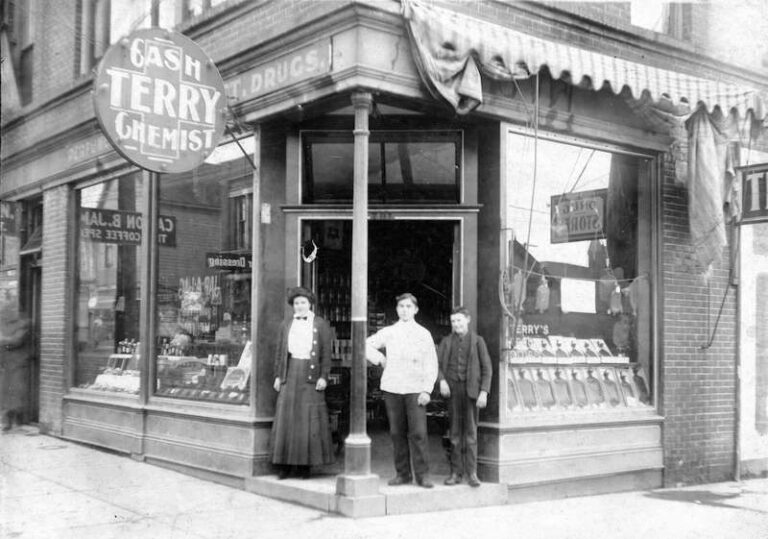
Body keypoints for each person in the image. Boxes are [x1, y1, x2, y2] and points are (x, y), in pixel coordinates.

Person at [366, 293, 438, 488]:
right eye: (401, 306)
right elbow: (365, 344)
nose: (404, 310)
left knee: (419, 433)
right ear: (397, 310)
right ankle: (403, 474)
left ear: (415, 309)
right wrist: (380, 359)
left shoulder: (424, 334)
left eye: (408, 306)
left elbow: (431, 363)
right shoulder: (389, 331)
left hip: (416, 389)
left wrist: (427, 390)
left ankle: (423, 476)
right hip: (393, 387)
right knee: (397, 432)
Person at [271, 287, 334, 479]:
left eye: (303, 303)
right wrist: (278, 376)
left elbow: (326, 353)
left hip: (310, 374)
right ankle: (285, 466)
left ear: (310, 304)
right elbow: (280, 352)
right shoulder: (286, 324)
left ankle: (304, 467)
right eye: (297, 303)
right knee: (287, 418)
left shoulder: (320, 324)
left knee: (308, 420)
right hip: (290, 372)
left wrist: (324, 376)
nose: (300, 307)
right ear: (293, 306)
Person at [437, 307, 492, 487]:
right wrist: (442, 381)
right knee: (454, 434)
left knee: (470, 434)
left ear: (467, 320)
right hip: (452, 391)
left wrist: (484, 392)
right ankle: (455, 473)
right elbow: (436, 366)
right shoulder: (446, 342)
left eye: (459, 320)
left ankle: (472, 473)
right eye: (453, 321)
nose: (456, 324)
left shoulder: (478, 342)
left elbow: (487, 369)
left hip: (471, 393)